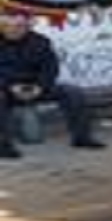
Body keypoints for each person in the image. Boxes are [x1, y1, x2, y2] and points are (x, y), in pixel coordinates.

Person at [0, 9, 103, 158]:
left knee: (72, 92)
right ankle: (4, 145)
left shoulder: (41, 42)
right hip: (6, 88)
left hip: (36, 87)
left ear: (28, 26)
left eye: (19, 26)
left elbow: (50, 68)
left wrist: (40, 86)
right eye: (7, 26)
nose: (13, 30)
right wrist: (9, 86)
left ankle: (82, 138)